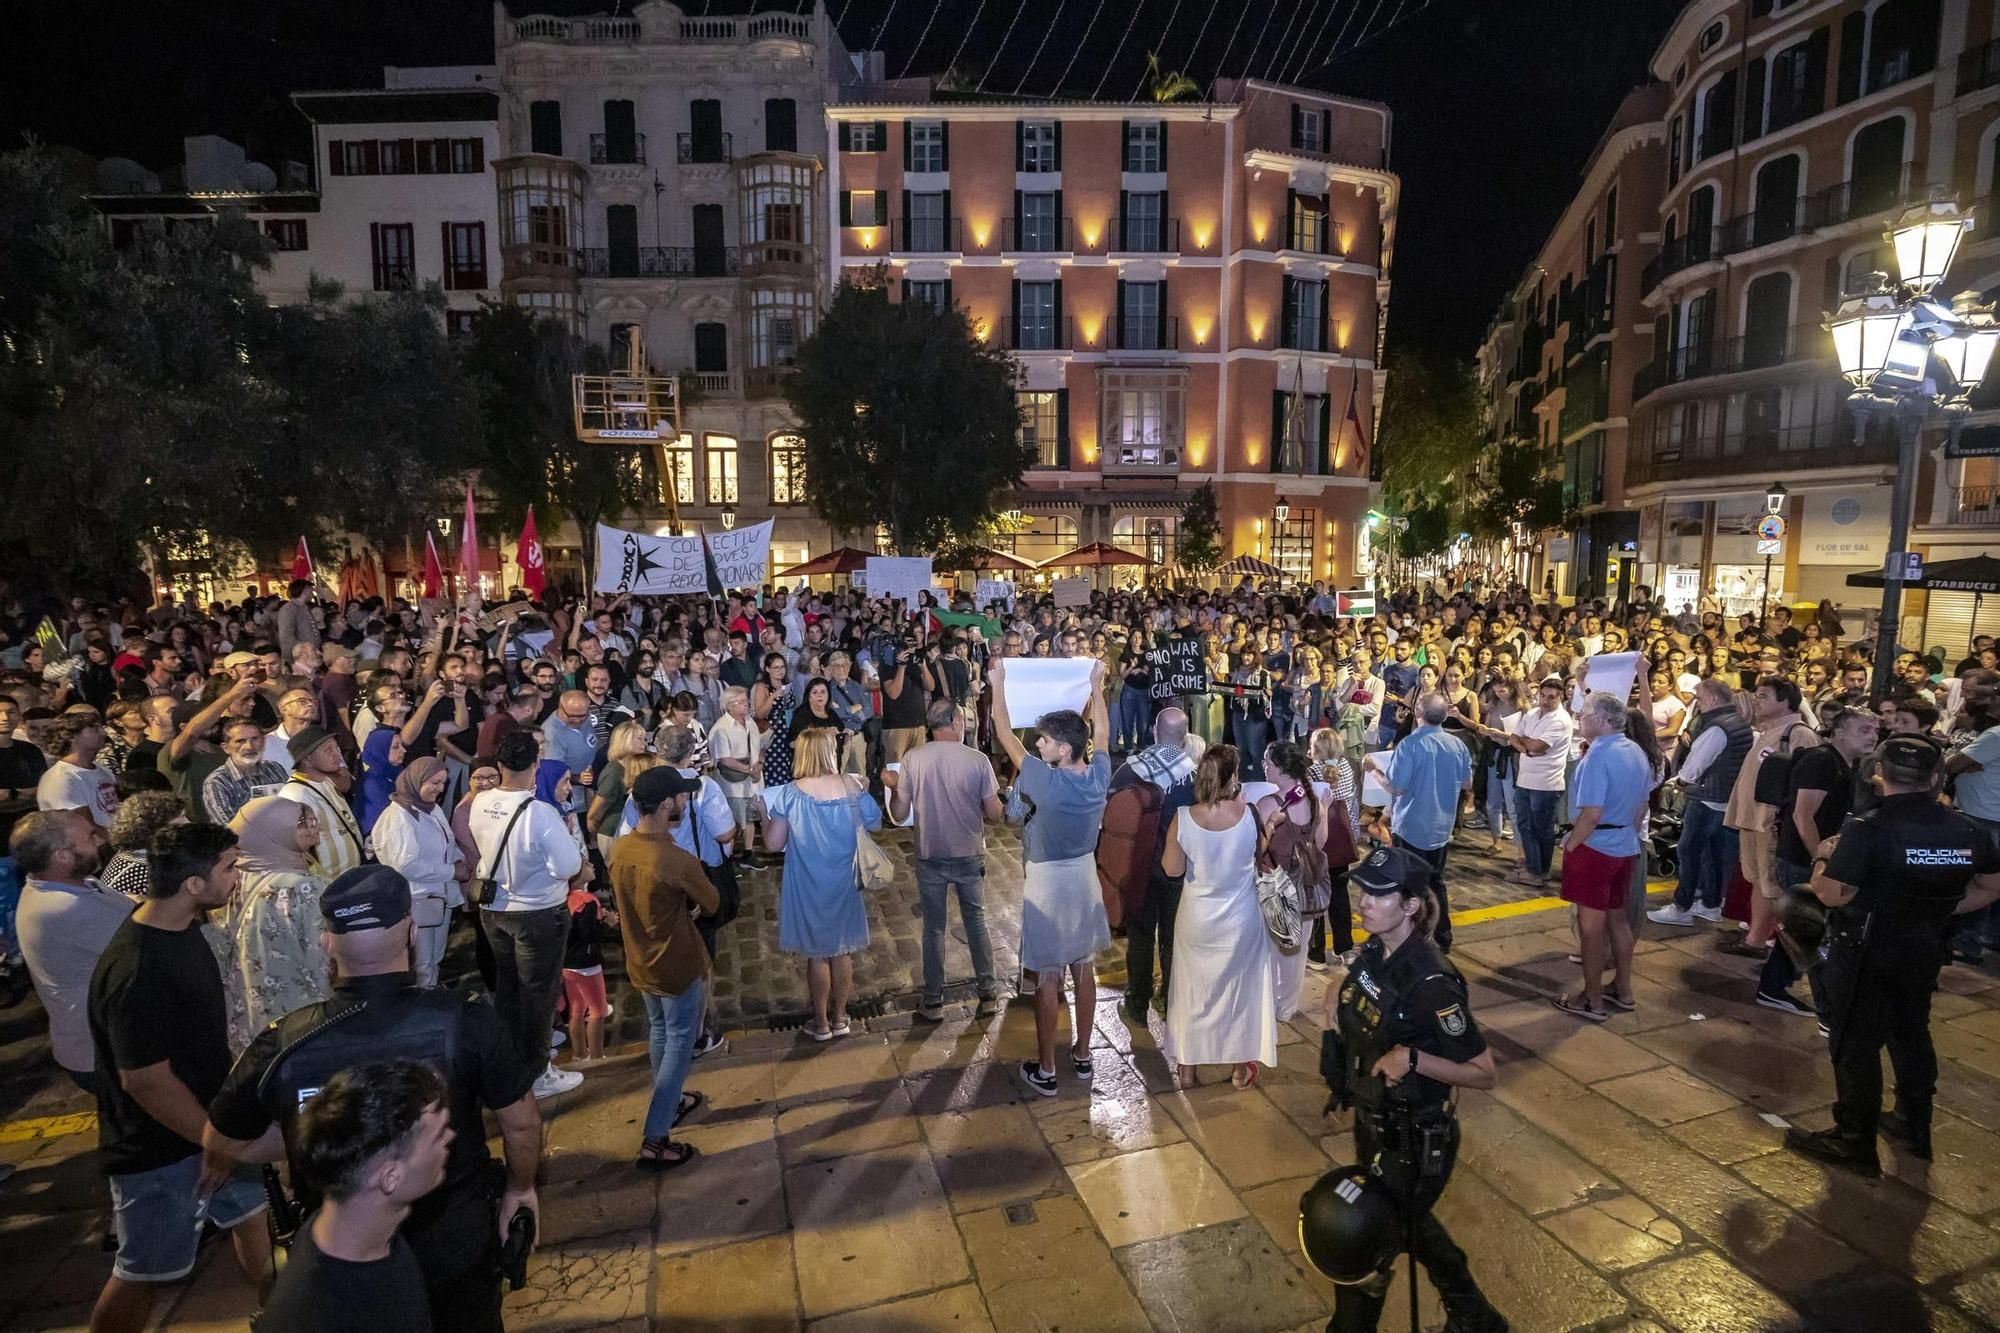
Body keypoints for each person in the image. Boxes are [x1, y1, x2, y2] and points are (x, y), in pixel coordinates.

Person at [205, 864, 544, 1332]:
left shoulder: (286, 1041)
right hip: (455, 1238)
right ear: (409, 931)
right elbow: (522, 1122)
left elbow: (222, 1141)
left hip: (344, 1252)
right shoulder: (463, 1021)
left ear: (327, 942)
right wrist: (521, 1189)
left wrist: (325, 1140)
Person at [85, 823, 271, 1332]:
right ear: (193, 885)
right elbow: (145, 1081)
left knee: (254, 1220)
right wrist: (215, 1141)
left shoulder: (183, 929)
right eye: (229, 868)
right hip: (161, 1149)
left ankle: (284, 1313)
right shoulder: (137, 969)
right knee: (144, 1272)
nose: (238, 877)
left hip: (213, 1128)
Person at [1785, 736, 2000, 1176]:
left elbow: (1830, 894)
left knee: (1855, 1045)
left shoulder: (1868, 828)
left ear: (1879, 776)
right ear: (1936, 777)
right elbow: (1991, 886)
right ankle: (1913, 1124)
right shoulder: (1966, 829)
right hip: (1924, 947)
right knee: (1911, 1033)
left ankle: (1854, 1140)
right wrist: (1935, 909)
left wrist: (1824, 856)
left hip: (1866, 950)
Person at [1313, 845, 1505, 1332]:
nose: (1364, 902)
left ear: (1411, 906)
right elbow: (1356, 984)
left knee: (1366, 1241)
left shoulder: (1433, 983)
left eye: (1378, 894)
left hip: (1415, 1140)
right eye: (1363, 891)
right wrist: (1338, 994)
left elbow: (1485, 1071)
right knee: (1410, 1228)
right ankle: (1475, 1317)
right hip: (1375, 1123)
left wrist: (1414, 1058)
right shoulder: (1377, 949)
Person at [988, 657, 1113, 1097]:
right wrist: (1097, 687)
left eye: (1044, 740)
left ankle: (1045, 1069)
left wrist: (997, 682)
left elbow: (1004, 734)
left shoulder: (1043, 780)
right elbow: (1101, 734)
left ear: (1063, 749)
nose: (1037, 744)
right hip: (1084, 875)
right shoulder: (1099, 773)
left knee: (1047, 975)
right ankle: (1081, 1054)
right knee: (1084, 967)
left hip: (1048, 880)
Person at [253, 1061, 451, 1333]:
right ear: (390, 1177)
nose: (449, 1138)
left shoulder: (372, 1237)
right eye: (437, 1135)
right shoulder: (317, 1316)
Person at [606, 766, 719, 1170]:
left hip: (640, 961)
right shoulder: (676, 859)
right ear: (668, 803)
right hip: (676, 963)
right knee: (680, 1044)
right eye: (682, 796)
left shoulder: (619, 850)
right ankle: (656, 1137)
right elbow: (713, 903)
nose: (686, 801)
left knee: (659, 1032)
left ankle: (667, 1103)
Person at [469, 731, 586, 1098]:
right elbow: (568, 865)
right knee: (538, 994)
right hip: (536, 912)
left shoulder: (481, 801)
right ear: (536, 763)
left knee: (508, 988)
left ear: (500, 765)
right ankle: (537, 1072)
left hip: (494, 910)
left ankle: (510, 1058)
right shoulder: (540, 813)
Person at [1162, 745, 1278, 1089]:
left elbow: (1172, 869)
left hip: (1196, 919)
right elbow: (1258, 853)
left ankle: (1187, 1070)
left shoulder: (1183, 817)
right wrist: (1270, 825)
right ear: (1233, 778)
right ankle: (1240, 1070)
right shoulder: (1248, 813)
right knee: (1241, 994)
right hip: (1241, 919)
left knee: (1191, 993)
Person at [761, 729, 883, 1040]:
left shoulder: (790, 793)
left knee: (817, 954)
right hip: (844, 881)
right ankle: (841, 1017)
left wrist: (763, 815)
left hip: (807, 884)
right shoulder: (851, 786)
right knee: (841, 951)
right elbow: (876, 822)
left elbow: (774, 844)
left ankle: (821, 1023)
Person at [887, 697, 1004, 1022]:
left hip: (930, 853)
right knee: (976, 922)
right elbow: (994, 814)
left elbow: (899, 813)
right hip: (968, 851)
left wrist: (895, 789)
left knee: (934, 929)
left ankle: (933, 1000)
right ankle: (988, 993)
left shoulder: (914, 758)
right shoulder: (977, 759)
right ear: (954, 722)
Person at [13, 809, 131, 1091]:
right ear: (62, 856)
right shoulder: (66, 908)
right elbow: (148, 944)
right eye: (90, 837)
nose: (101, 842)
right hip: (105, 1055)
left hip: (103, 1047)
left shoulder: (75, 884)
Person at [1551, 692, 1651, 1022]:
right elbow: (1641, 805)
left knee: (1590, 929)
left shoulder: (1597, 756)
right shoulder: (1636, 750)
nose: (1579, 718)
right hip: (1624, 843)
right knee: (1618, 919)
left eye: (1585, 714)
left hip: (1596, 846)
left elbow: (1591, 813)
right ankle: (1623, 989)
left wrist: (1572, 844)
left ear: (1602, 720)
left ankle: (1591, 999)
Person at [1109, 706, 1199, 1021]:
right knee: (1175, 936)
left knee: (1141, 935)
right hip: (1179, 870)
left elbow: (1111, 816)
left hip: (1141, 868)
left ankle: (1137, 1003)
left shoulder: (1130, 770)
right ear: (1185, 738)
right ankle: (1171, 997)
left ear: (1153, 731)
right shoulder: (1197, 776)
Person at [1366, 693, 1472, 951]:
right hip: (1441, 826)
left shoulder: (1410, 745)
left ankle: (1413, 936)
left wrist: (1374, 771)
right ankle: (1443, 936)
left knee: (1409, 885)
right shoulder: (1457, 746)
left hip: (1412, 825)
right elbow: (1467, 784)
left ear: (1418, 712)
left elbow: (1396, 787)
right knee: (1436, 882)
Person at [224, 795, 331, 1050]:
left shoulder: (237, 877)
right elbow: (324, 961)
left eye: (311, 819)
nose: (312, 826)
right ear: (272, 832)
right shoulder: (302, 888)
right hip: (302, 1019)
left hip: (253, 1020)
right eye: (301, 822)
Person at [1723, 676, 1819, 961]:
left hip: (1769, 822)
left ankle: (1761, 940)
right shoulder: (1767, 731)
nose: (1756, 699)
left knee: (1770, 883)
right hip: (1751, 819)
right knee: (1757, 880)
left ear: (1785, 701)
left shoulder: (1798, 734)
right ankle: (1756, 934)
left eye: (1764, 696)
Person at [1648, 678, 1751, 928]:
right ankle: (1710, 904)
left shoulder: (1717, 728)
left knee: (1689, 851)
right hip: (1725, 799)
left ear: (1714, 699)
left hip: (1706, 798)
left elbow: (1695, 765)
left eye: (1701, 699)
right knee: (1713, 854)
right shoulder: (1741, 724)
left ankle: (1681, 906)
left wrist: (1681, 782)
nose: (1698, 704)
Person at [370, 757, 467, 988]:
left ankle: (431, 994)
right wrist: (452, 871)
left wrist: (458, 860)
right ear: (417, 780)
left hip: (436, 898)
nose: (440, 789)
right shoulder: (400, 817)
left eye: (443, 783)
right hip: (418, 899)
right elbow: (406, 865)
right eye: (434, 782)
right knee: (421, 962)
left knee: (434, 956)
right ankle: (423, 1004)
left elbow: (446, 843)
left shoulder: (430, 810)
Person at [1256, 739, 1329, 1022]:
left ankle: (1267, 1004)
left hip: (1276, 886)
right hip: (1306, 888)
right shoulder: (1314, 801)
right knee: (1297, 953)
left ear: (1283, 771)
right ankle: (1286, 1007)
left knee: (1271, 949)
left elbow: (1258, 849)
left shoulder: (1268, 804)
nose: (1264, 767)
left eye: (1268, 763)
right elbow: (1320, 844)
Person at [1475, 676, 1570, 888]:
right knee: (1525, 826)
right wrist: (1525, 744)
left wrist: (1524, 744)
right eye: (1543, 696)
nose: (1545, 701)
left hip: (1546, 783)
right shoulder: (1533, 713)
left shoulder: (1560, 720)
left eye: (1551, 697)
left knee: (1541, 829)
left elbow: (1535, 747)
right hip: (1525, 778)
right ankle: (1532, 867)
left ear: (1561, 697)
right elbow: (1516, 738)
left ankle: (1539, 871)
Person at [277, 726, 366, 880]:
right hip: (327, 886)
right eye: (328, 750)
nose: (338, 755)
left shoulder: (326, 782)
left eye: (337, 748)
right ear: (307, 758)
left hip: (349, 879)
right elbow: (295, 851)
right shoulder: (295, 795)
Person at [35, 711, 120, 828]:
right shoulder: (62, 778)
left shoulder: (101, 769)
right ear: (72, 737)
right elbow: (82, 824)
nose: (103, 733)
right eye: (94, 729)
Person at [710, 686, 765, 864]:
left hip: (753, 779)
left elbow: (759, 747)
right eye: (741, 702)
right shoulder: (721, 728)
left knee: (750, 818)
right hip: (734, 783)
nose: (746, 705)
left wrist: (759, 766)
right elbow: (724, 759)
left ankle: (748, 853)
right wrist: (749, 770)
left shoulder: (750, 722)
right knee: (734, 819)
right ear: (729, 706)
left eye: (746, 701)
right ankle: (728, 857)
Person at [202, 716, 289, 825]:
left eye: (255, 739)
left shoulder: (274, 769)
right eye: (240, 741)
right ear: (226, 748)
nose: (249, 747)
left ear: (264, 741)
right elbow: (230, 828)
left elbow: (292, 807)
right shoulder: (217, 782)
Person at [355, 725, 407, 835]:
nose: (404, 750)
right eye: (396, 747)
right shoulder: (372, 784)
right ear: (380, 749)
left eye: (402, 745)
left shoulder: (396, 772)